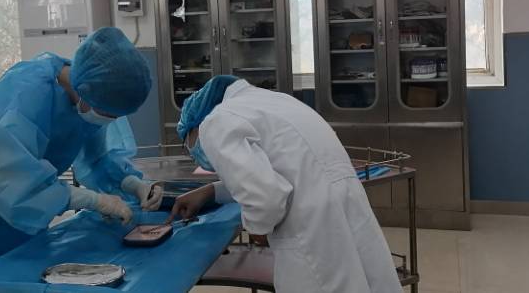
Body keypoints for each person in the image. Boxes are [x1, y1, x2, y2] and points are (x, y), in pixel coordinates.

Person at [0, 27, 163, 293]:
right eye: (110, 115)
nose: (111, 121)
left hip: (23, 214)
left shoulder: (91, 95)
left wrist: (133, 184)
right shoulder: (26, 96)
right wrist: (94, 201)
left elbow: (98, 158)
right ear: (87, 98)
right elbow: (14, 183)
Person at [168, 76, 403, 293]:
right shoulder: (278, 102)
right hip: (346, 210)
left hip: (310, 230)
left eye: (189, 144)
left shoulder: (214, 123)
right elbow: (280, 172)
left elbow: (265, 199)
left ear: (195, 125)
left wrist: (257, 228)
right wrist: (211, 192)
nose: (195, 154)